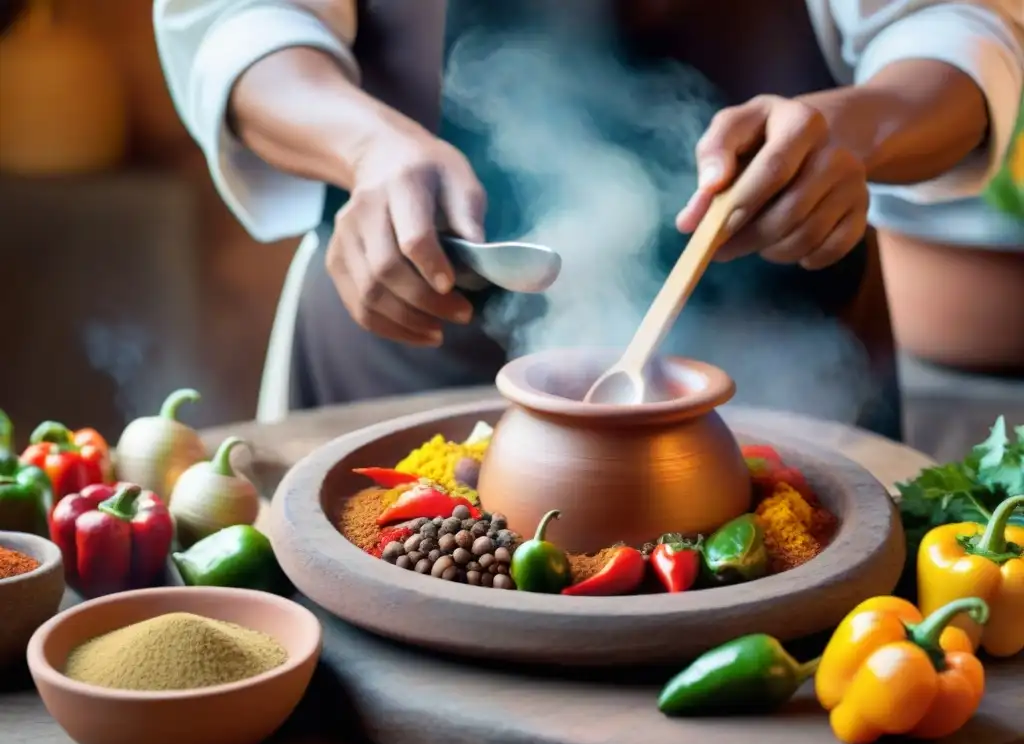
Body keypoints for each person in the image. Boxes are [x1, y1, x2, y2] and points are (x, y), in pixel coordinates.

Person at [153, 0, 1023, 437]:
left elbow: (956, 23)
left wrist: (856, 128)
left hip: (787, 364)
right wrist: (367, 149)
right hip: (395, 348)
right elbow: (238, 17)